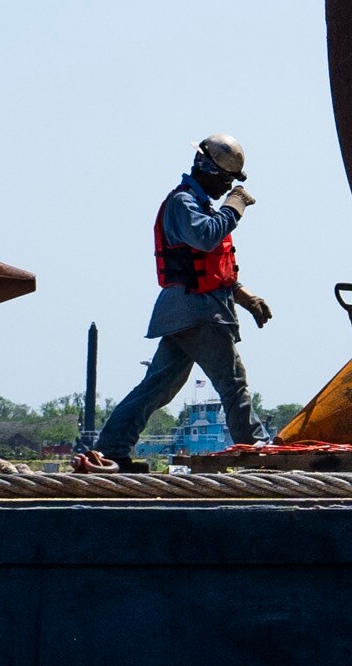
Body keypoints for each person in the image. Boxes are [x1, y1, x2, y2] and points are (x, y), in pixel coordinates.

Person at [75, 135, 275, 471]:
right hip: (199, 313)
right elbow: (206, 236)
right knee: (232, 382)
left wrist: (244, 296)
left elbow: (207, 265)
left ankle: (111, 448)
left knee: (158, 386)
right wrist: (234, 205)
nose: (227, 186)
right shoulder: (183, 204)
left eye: (232, 182)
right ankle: (256, 451)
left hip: (190, 311)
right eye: (225, 179)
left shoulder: (196, 205)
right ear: (205, 168)